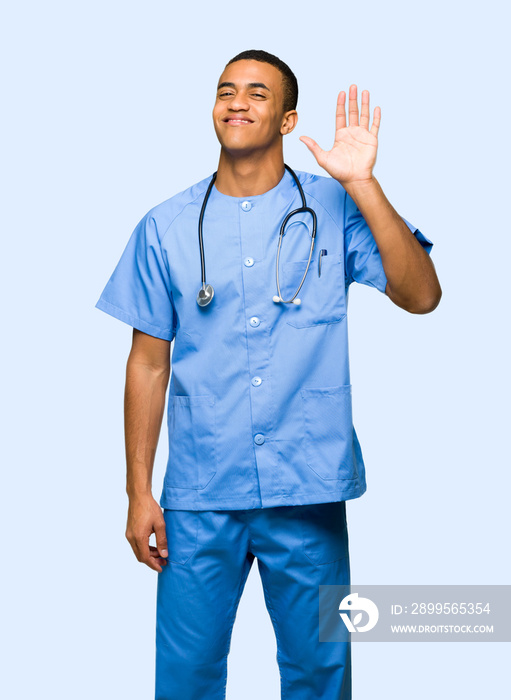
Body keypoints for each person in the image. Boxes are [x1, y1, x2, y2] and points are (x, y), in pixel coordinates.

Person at [95, 49, 441, 700]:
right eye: (226, 90)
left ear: (286, 120)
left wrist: (362, 182)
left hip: (306, 489)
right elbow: (147, 362)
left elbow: (420, 295)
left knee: (319, 673)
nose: (237, 102)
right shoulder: (163, 227)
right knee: (186, 676)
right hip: (199, 494)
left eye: (257, 93)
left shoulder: (335, 208)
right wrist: (138, 491)